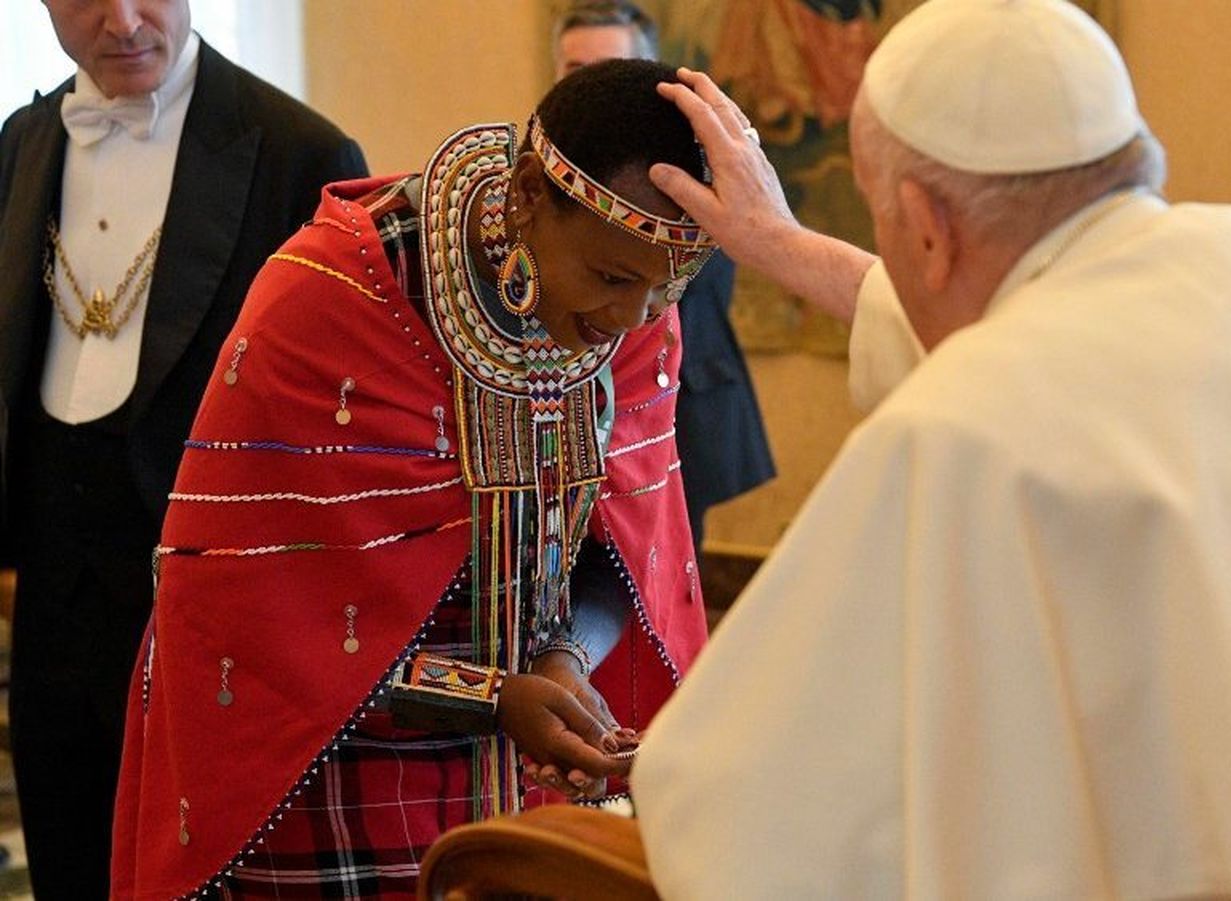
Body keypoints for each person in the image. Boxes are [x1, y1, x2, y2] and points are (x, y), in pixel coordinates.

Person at [627, 1, 1231, 896]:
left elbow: (732, 809)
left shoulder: (960, 426)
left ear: (927, 226)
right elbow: (1025, 320)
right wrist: (779, 244)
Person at [110, 57, 714, 899]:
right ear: (530, 194)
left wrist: (568, 660)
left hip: (527, 774)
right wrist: (492, 695)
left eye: (662, 295)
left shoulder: (638, 304)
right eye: (612, 281)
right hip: (325, 778)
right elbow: (246, 622)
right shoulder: (330, 298)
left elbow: (628, 550)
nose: (627, 321)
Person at [0, 1, 366, 896]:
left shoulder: (303, 155)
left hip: (220, 621)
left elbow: (343, 423)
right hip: (49, 607)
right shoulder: (16, 142)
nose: (121, 22)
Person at [555, 1, 776, 550]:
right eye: (576, 71)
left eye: (610, 68)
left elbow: (703, 275)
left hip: (676, 394)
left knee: (671, 563)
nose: (595, 87)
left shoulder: (697, 160)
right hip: (566, 405)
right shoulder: (545, 159)